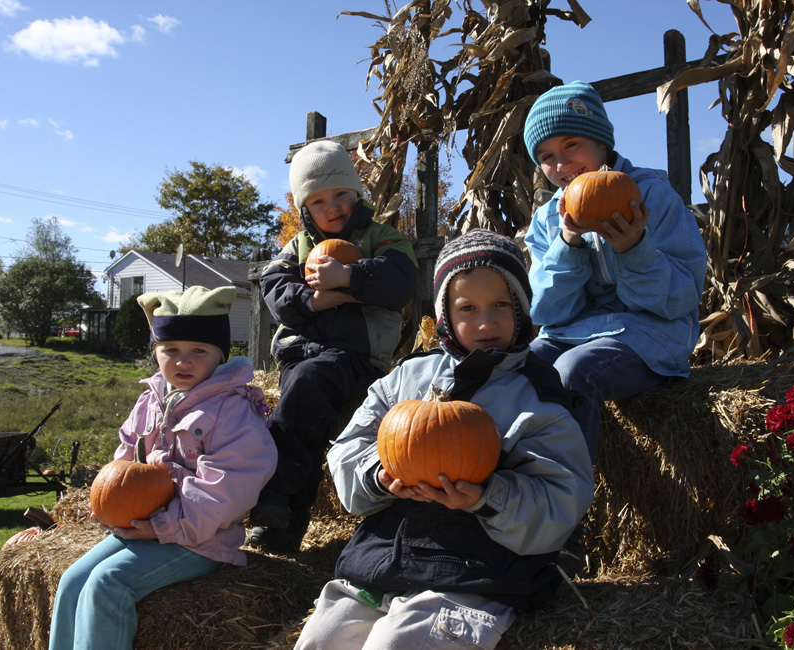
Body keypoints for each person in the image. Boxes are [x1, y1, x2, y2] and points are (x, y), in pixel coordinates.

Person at [294, 230, 594, 649]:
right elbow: (348, 447)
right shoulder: (406, 377)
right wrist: (378, 476)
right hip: (381, 561)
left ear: (522, 310)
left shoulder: (539, 397)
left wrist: (487, 496)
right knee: (322, 640)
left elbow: (562, 497)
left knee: (396, 644)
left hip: (479, 572)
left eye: (501, 305)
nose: (486, 322)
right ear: (445, 316)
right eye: (468, 308)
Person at [49, 285, 277, 650]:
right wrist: (110, 506)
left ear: (219, 356)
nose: (183, 361)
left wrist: (163, 526)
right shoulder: (150, 401)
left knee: (108, 583)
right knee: (72, 581)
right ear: (155, 352)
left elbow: (227, 489)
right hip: (143, 527)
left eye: (198, 351)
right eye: (170, 350)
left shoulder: (231, 411)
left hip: (199, 539)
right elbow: (125, 460)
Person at [522, 80, 708, 463]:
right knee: (519, 369)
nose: (561, 164)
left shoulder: (651, 196)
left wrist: (633, 249)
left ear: (602, 142)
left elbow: (682, 297)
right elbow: (546, 310)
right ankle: (522, 487)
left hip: (650, 332)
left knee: (575, 371)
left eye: (571, 145)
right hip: (573, 332)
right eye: (546, 156)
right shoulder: (547, 219)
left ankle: (568, 492)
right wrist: (568, 243)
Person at [248, 140, 418, 554]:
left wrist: (349, 277)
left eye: (341, 193)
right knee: (302, 410)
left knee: (308, 385)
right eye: (319, 200)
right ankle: (283, 526)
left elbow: (400, 280)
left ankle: (275, 495)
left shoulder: (381, 237)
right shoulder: (297, 248)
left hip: (356, 355)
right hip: (301, 353)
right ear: (305, 207)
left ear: (357, 192)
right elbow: (274, 289)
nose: (333, 206)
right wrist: (313, 300)